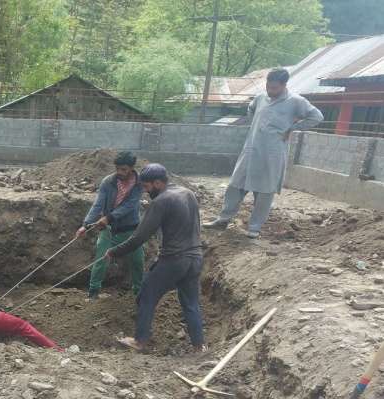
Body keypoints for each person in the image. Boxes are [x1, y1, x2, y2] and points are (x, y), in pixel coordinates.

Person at [203, 68, 323, 238]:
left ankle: (254, 228)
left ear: (283, 85)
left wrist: (293, 128)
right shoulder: (260, 98)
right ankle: (223, 220)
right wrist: (255, 127)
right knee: (235, 186)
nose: (270, 90)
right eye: (268, 86)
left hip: (272, 153)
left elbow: (317, 117)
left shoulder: (296, 101)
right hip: (251, 150)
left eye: (274, 88)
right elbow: (251, 109)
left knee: (264, 192)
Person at [106, 163, 206, 352]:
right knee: (191, 302)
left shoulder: (161, 201)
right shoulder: (188, 193)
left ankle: (140, 341)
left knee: (147, 294)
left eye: (147, 187)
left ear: (158, 183)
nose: (145, 191)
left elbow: (140, 237)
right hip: (195, 257)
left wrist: (114, 252)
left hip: (174, 259)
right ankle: (199, 345)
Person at [75, 151, 145, 299]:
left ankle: (139, 292)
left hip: (130, 230)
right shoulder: (108, 182)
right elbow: (98, 204)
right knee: (101, 260)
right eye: (118, 168)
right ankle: (93, 293)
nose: (120, 172)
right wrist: (86, 225)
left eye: (124, 169)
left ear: (132, 168)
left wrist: (109, 217)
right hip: (109, 230)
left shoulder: (139, 183)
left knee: (137, 262)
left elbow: (130, 205)